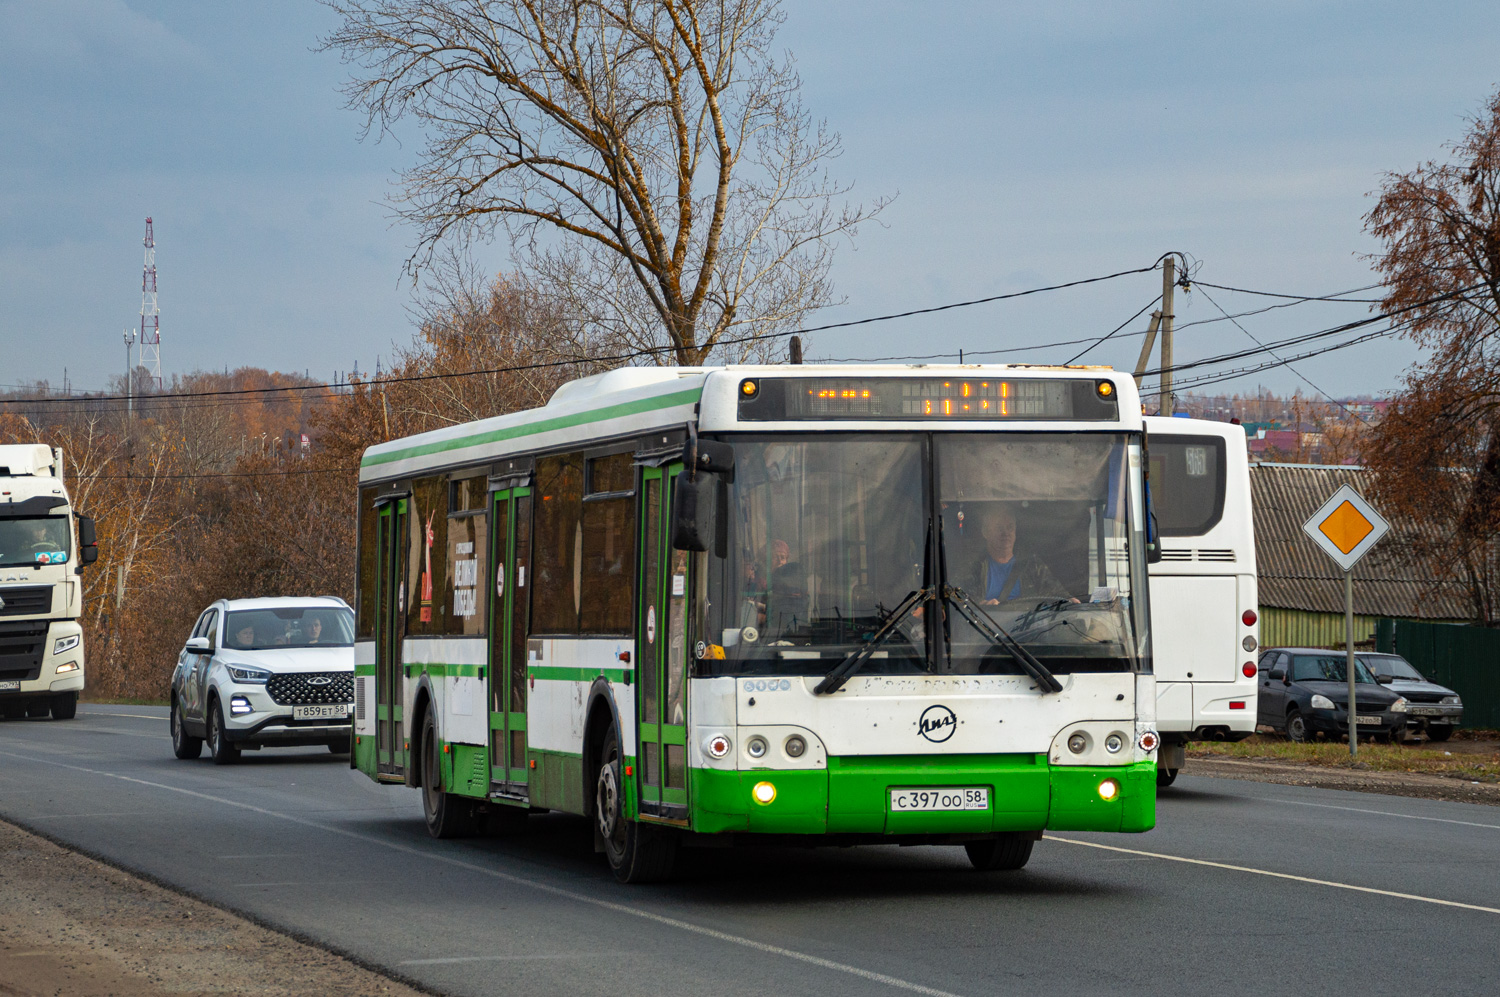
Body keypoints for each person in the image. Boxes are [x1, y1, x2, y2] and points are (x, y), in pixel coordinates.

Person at [969, 505, 1068, 605]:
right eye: (999, 528)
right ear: (985, 532)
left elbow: (1056, 593)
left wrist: (1069, 601)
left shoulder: (1032, 564)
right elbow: (960, 601)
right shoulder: (974, 567)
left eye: (1010, 527)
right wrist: (981, 606)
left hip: (1026, 620)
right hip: (985, 620)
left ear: (1015, 531)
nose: (1006, 533)